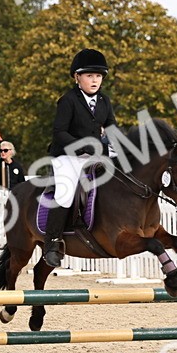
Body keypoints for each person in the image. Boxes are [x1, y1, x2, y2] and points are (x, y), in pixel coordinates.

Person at [44, 48, 117, 267]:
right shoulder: (67, 100)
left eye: (98, 76)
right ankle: (52, 242)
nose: (95, 80)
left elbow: (111, 125)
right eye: (89, 76)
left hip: (95, 156)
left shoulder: (104, 100)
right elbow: (59, 132)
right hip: (67, 155)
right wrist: (82, 145)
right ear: (77, 77)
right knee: (66, 193)